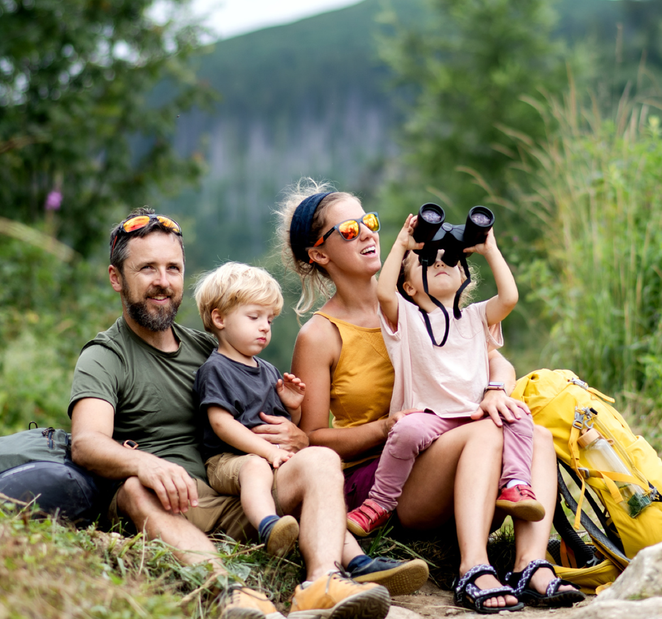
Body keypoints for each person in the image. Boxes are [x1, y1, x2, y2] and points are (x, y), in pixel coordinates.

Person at [67, 208, 420, 619]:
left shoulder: (207, 348)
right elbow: (87, 443)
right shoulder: (106, 355)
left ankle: (322, 581)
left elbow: (267, 411)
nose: (162, 281)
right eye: (146, 268)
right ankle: (229, 591)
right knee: (133, 489)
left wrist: (295, 435)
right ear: (117, 278)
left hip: (243, 492)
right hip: (172, 501)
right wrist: (147, 464)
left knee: (320, 458)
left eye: (172, 268)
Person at [279, 183, 587, 612]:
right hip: (389, 476)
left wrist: (497, 389)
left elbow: (492, 359)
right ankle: (473, 569)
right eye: (349, 231)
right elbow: (312, 438)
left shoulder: (417, 294)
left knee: (531, 433)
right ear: (319, 254)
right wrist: (387, 427)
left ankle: (530, 566)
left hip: (453, 456)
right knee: (485, 434)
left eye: (369, 222)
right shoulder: (321, 334)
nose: (368, 234)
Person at [345, 213, 545, 539]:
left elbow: (509, 298)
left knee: (520, 416)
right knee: (405, 430)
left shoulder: (477, 316)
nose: (440, 263)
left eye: (449, 260)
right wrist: (402, 244)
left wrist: (489, 249)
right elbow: (383, 293)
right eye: (427, 260)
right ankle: (378, 503)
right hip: (430, 416)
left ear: (463, 274)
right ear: (408, 286)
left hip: (474, 414)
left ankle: (516, 484)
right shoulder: (406, 319)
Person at [191, 262, 306, 558]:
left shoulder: (267, 370)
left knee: (311, 465)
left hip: (266, 458)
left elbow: (281, 427)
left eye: (270, 319)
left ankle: (349, 555)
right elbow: (222, 424)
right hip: (226, 461)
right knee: (254, 465)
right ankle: (268, 527)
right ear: (219, 318)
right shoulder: (215, 368)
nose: (265, 326)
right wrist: (267, 453)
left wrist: (293, 410)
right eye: (254, 316)